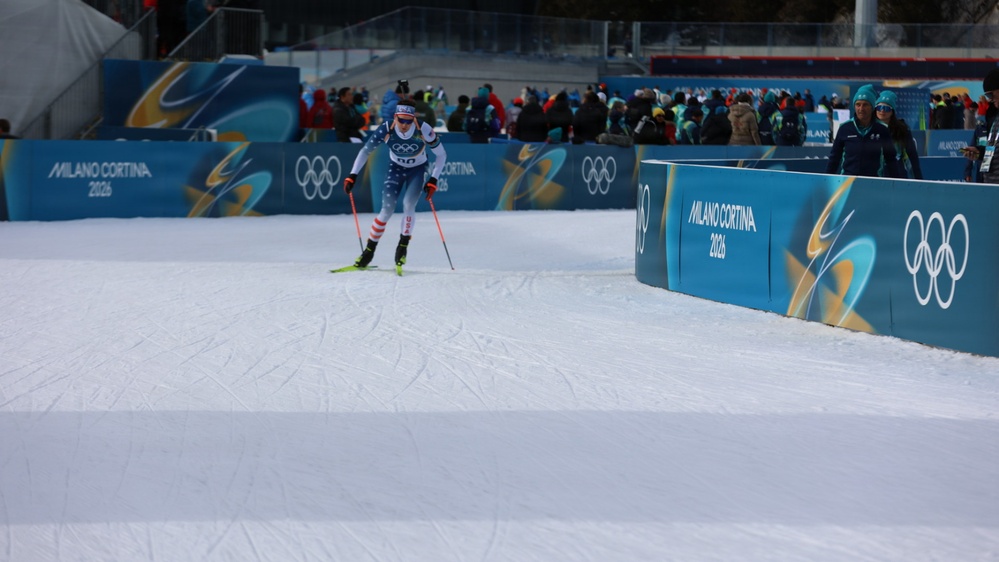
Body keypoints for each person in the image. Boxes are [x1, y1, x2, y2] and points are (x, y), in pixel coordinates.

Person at [342, 99, 447, 270]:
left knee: (408, 205)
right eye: (401, 120)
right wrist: (352, 175)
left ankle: (402, 248)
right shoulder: (386, 128)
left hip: (418, 169)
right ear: (395, 117)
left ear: (413, 118)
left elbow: (441, 155)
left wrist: (433, 179)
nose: (404, 125)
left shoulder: (423, 129)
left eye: (408, 121)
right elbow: (365, 151)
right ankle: (368, 252)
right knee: (386, 209)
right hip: (395, 168)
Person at [825, 85, 903, 178]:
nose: (861, 109)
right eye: (858, 104)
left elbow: (890, 159)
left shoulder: (882, 129)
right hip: (847, 182)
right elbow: (834, 158)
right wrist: (826, 180)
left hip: (873, 182)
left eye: (865, 105)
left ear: (872, 107)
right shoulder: (845, 128)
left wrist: (896, 182)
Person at [962, 68, 999, 184]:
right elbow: (994, 149)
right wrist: (980, 153)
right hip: (990, 185)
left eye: (990, 94)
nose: (990, 99)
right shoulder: (995, 119)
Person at [874, 90, 922, 179]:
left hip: (897, 174)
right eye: (879, 107)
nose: (882, 111)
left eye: (887, 108)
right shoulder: (869, 128)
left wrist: (918, 179)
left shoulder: (901, 129)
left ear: (892, 111)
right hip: (874, 175)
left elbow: (912, 156)